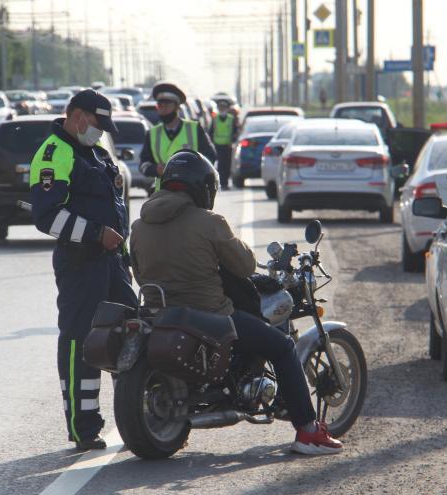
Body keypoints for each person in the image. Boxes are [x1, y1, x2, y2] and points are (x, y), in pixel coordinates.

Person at [129, 150, 343, 455]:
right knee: (283, 347)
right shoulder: (209, 222)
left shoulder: (140, 226)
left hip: (160, 314)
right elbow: (244, 266)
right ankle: (308, 432)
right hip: (212, 314)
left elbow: (138, 273)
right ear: (202, 187)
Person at [30, 89, 137, 451]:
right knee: (81, 341)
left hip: (112, 262)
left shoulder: (96, 152)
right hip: (80, 264)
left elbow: (116, 206)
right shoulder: (53, 153)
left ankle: (136, 415)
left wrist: (123, 252)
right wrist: (95, 234)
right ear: (77, 116)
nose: (99, 131)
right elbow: (46, 218)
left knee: (133, 333)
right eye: (96, 123)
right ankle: (83, 426)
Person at [139, 81, 217, 192]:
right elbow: (143, 164)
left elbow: (210, 156)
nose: (163, 109)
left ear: (177, 107)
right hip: (162, 194)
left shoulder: (194, 128)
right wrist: (155, 169)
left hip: (192, 192)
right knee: (147, 209)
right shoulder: (152, 133)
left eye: (167, 105)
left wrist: (193, 169)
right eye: (159, 105)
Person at [210, 99, 238, 190]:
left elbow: (235, 132)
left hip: (228, 146)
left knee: (227, 165)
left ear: (227, 109)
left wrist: (233, 140)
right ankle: (223, 183)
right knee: (221, 165)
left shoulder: (231, 119)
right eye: (220, 107)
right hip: (218, 145)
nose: (222, 109)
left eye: (224, 107)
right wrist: (211, 143)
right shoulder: (215, 119)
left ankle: (225, 183)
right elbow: (210, 132)